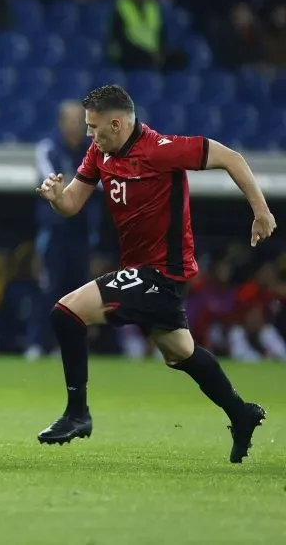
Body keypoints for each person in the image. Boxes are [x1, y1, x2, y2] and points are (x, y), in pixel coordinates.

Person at [34, 84, 275, 463]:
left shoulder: (164, 150)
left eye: (94, 127)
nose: (89, 135)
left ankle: (77, 413)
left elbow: (233, 158)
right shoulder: (100, 153)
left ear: (117, 123)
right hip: (142, 272)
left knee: (66, 312)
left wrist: (261, 212)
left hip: (163, 273)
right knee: (180, 352)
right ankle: (240, 414)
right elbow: (72, 204)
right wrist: (56, 197)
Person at [29, 100, 96, 361]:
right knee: (48, 289)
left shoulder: (93, 151)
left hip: (81, 234)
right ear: (60, 122)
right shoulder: (48, 149)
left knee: (77, 294)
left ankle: (67, 346)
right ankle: (36, 343)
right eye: (69, 120)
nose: (74, 126)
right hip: (54, 233)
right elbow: (53, 186)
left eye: (79, 121)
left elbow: (98, 185)